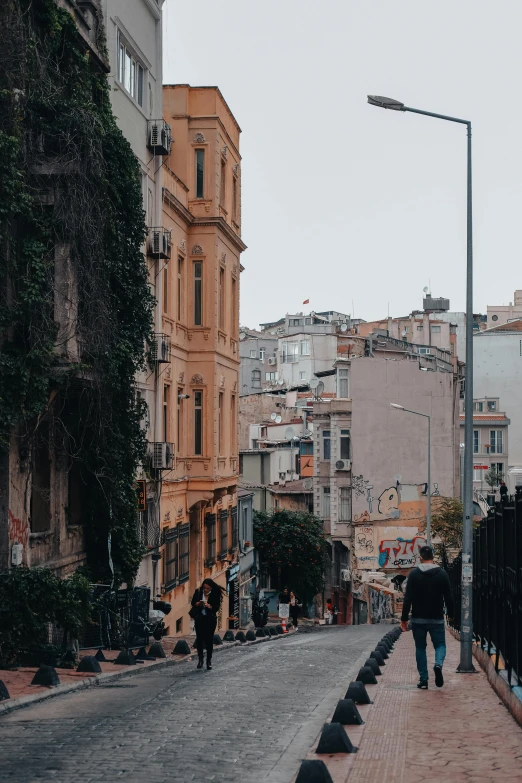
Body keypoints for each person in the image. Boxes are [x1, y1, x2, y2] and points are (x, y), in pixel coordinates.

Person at [400, 545, 455, 690]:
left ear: (420, 557)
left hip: (418, 619)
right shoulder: (442, 574)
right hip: (436, 618)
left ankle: (424, 680)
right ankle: (438, 664)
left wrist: (404, 619)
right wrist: (451, 615)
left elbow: (408, 599)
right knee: (440, 645)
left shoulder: (414, 574)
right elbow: (449, 597)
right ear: (433, 557)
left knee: (420, 648)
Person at [190, 578, 225, 671]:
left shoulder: (215, 594)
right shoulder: (198, 592)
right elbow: (193, 603)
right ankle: (200, 659)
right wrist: (198, 604)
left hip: (210, 620)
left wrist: (209, 606)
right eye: (204, 588)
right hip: (199, 619)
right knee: (200, 640)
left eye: (208, 588)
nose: (205, 590)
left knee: (209, 640)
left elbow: (216, 608)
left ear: (211, 588)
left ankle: (208, 661)